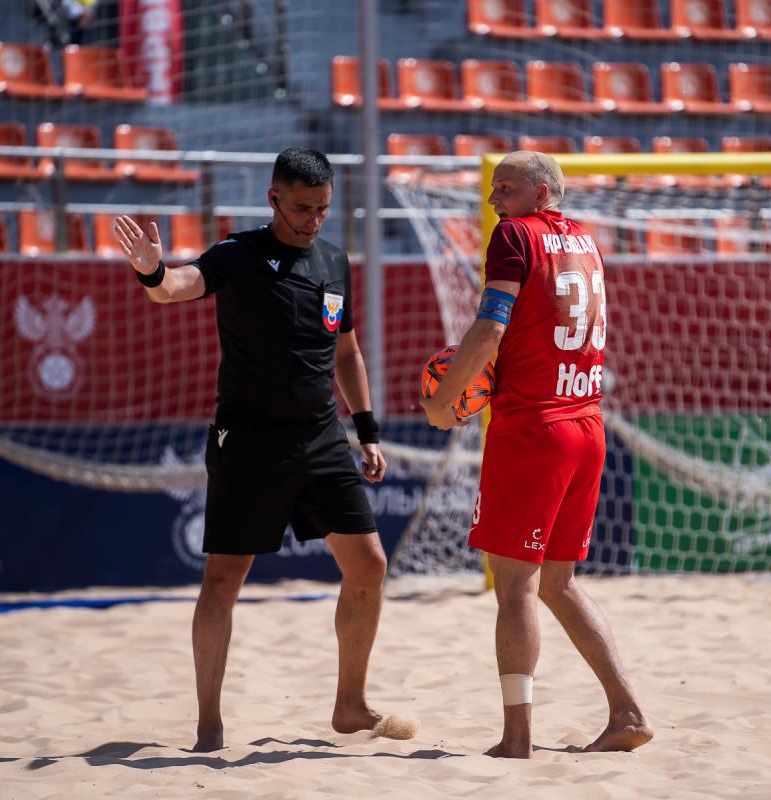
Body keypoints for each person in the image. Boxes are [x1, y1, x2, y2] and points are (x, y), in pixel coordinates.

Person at [113, 147, 404, 752]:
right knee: (223, 580)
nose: (313, 219)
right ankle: (209, 725)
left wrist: (367, 430)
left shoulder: (333, 260)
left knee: (370, 567)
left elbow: (346, 352)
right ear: (274, 199)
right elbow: (179, 287)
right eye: (302, 208)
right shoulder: (238, 254)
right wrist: (154, 273)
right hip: (247, 440)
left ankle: (349, 705)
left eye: (322, 208)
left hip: (321, 436)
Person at [419, 151, 652, 759]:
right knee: (559, 583)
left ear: (543, 192)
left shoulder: (515, 236)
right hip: (587, 422)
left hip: (535, 428)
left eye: (507, 187)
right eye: (494, 188)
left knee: (516, 586)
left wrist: (443, 401)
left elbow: (490, 329)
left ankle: (517, 737)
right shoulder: (586, 241)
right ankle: (627, 711)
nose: (493, 199)